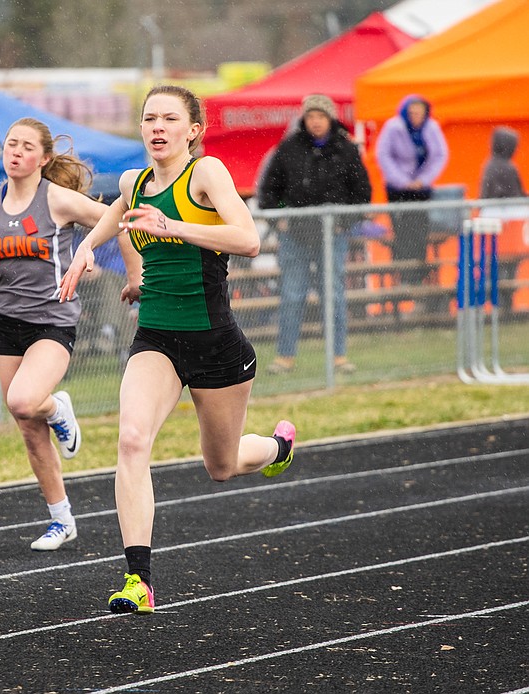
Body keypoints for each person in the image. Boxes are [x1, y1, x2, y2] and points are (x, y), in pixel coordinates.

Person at [58, 85, 297, 615]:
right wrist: (86, 250)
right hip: (156, 340)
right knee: (131, 439)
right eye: (149, 118)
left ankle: (278, 448)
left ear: (193, 130)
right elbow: (116, 211)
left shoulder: (206, 174)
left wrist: (173, 227)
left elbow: (249, 239)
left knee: (223, 464)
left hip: (216, 344)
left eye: (169, 118)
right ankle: (137, 580)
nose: (157, 127)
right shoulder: (134, 180)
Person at [0, 118, 112, 551]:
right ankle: (62, 520)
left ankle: (58, 407)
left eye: (25, 146)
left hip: (53, 321)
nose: (15, 152)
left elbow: (118, 220)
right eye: (9, 144)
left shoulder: (57, 200)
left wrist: (93, 252)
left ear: (44, 158)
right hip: (7, 324)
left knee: (24, 401)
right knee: (26, 426)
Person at [258, 94, 372, 374]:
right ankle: (285, 357)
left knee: (333, 294)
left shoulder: (345, 149)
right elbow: (269, 191)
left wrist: (345, 222)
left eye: (321, 116)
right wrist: (280, 220)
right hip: (294, 236)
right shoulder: (289, 148)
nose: (316, 122)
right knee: (292, 294)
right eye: (311, 116)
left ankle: (339, 357)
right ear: (304, 119)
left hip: (332, 234)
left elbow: (361, 194)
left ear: (329, 118)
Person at [375, 95, 448, 286]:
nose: (416, 116)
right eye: (412, 112)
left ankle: (417, 275)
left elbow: (440, 155)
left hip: (421, 189)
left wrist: (422, 180)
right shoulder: (394, 127)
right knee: (402, 231)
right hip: (397, 189)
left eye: (420, 112)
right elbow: (383, 155)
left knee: (419, 230)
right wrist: (402, 181)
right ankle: (403, 274)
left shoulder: (431, 128)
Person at [480, 126, 525, 200]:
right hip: (504, 209)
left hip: (490, 209)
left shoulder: (490, 164)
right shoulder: (507, 168)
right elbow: (516, 195)